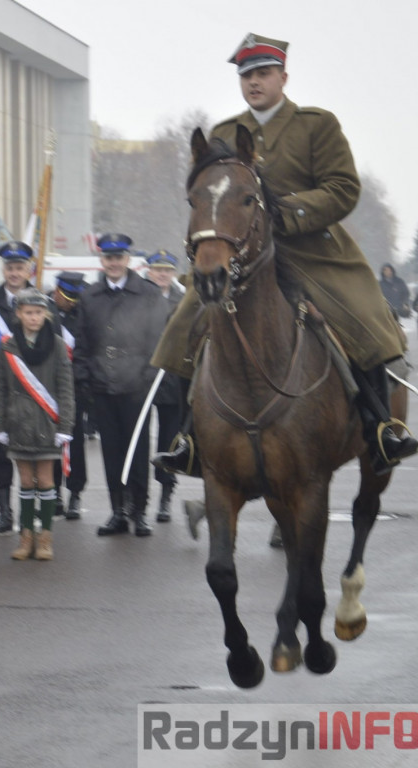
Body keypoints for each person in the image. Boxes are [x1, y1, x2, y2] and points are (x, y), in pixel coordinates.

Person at [152, 33, 417, 477]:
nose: (253, 82)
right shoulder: (222, 133)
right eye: (246, 75)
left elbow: (343, 189)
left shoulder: (317, 124)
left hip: (312, 251)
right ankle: (187, 438)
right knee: (182, 327)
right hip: (241, 253)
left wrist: (285, 212)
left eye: (262, 73)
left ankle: (380, 427)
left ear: (282, 77)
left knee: (366, 321)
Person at [74, 234, 170, 537]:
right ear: (102, 261)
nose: (113, 263)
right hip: (103, 385)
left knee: (137, 452)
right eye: (108, 258)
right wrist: (85, 380)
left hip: (136, 386)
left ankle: (139, 511)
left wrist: (147, 378)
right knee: (112, 451)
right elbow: (83, 344)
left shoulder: (148, 293)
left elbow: (158, 341)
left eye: (119, 258)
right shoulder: (90, 295)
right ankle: (118, 511)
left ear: (128, 260)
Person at [0, 288, 74, 560]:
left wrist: (66, 427)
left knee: (47, 481)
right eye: (28, 312)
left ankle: (45, 538)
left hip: (49, 425)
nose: (34, 318)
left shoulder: (58, 344)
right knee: (26, 481)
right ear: (19, 314)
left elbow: (65, 389)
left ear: (46, 314)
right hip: (19, 425)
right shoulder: (8, 346)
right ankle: (26, 538)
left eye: (38, 312)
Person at [0, 241, 37, 533]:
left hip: (35, 395)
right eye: (9, 267)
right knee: (0, 454)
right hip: (2, 394)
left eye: (19, 267)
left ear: (28, 268)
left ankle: (31, 513)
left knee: (35, 454)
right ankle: (5, 511)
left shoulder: (42, 302)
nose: (14, 272)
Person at [143, 250, 184, 522]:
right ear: (149, 271)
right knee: (138, 441)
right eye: (157, 269)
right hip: (142, 379)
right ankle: (136, 496)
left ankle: (165, 495)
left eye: (167, 270)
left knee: (170, 441)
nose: (162, 274)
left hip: (173, 380)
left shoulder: (184, 300)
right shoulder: (138, 297)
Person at [50, 270, 88, 520]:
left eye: (76, 297)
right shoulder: (45, 313)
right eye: (67, 296)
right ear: (56, 292)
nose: (72, 301)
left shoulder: (84, 316)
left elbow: (87, 350)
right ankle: (53, 492)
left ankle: (75, 493)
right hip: (48, 388)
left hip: (75, 388)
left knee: (75, 443)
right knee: (51, 443)